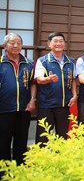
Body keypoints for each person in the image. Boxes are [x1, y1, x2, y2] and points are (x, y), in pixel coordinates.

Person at [34, 32, 77, 144]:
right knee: (43, 137)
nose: (59, 43)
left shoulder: (70, 61)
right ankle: (41, 160)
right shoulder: (42, 61)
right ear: (49, 44)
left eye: (61, 41)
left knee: (62, 137)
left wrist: (75, 95)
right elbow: (38, 79)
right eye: (55, 41)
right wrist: (49, 79)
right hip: (46, 105)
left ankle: (60, 160)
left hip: (64, 105)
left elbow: (72, 80)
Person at [0, 33, 36, 165]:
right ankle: (5, 171)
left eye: (19, 43)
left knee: (21, 142)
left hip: (24, 109)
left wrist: (32, 100)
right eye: (12, 43)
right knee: (3, 142)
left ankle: (20, 170)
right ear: (5, 46)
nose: (16, 46)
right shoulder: (1, 63)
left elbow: (33, 83)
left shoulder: (29, 63)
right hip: (4, 109)